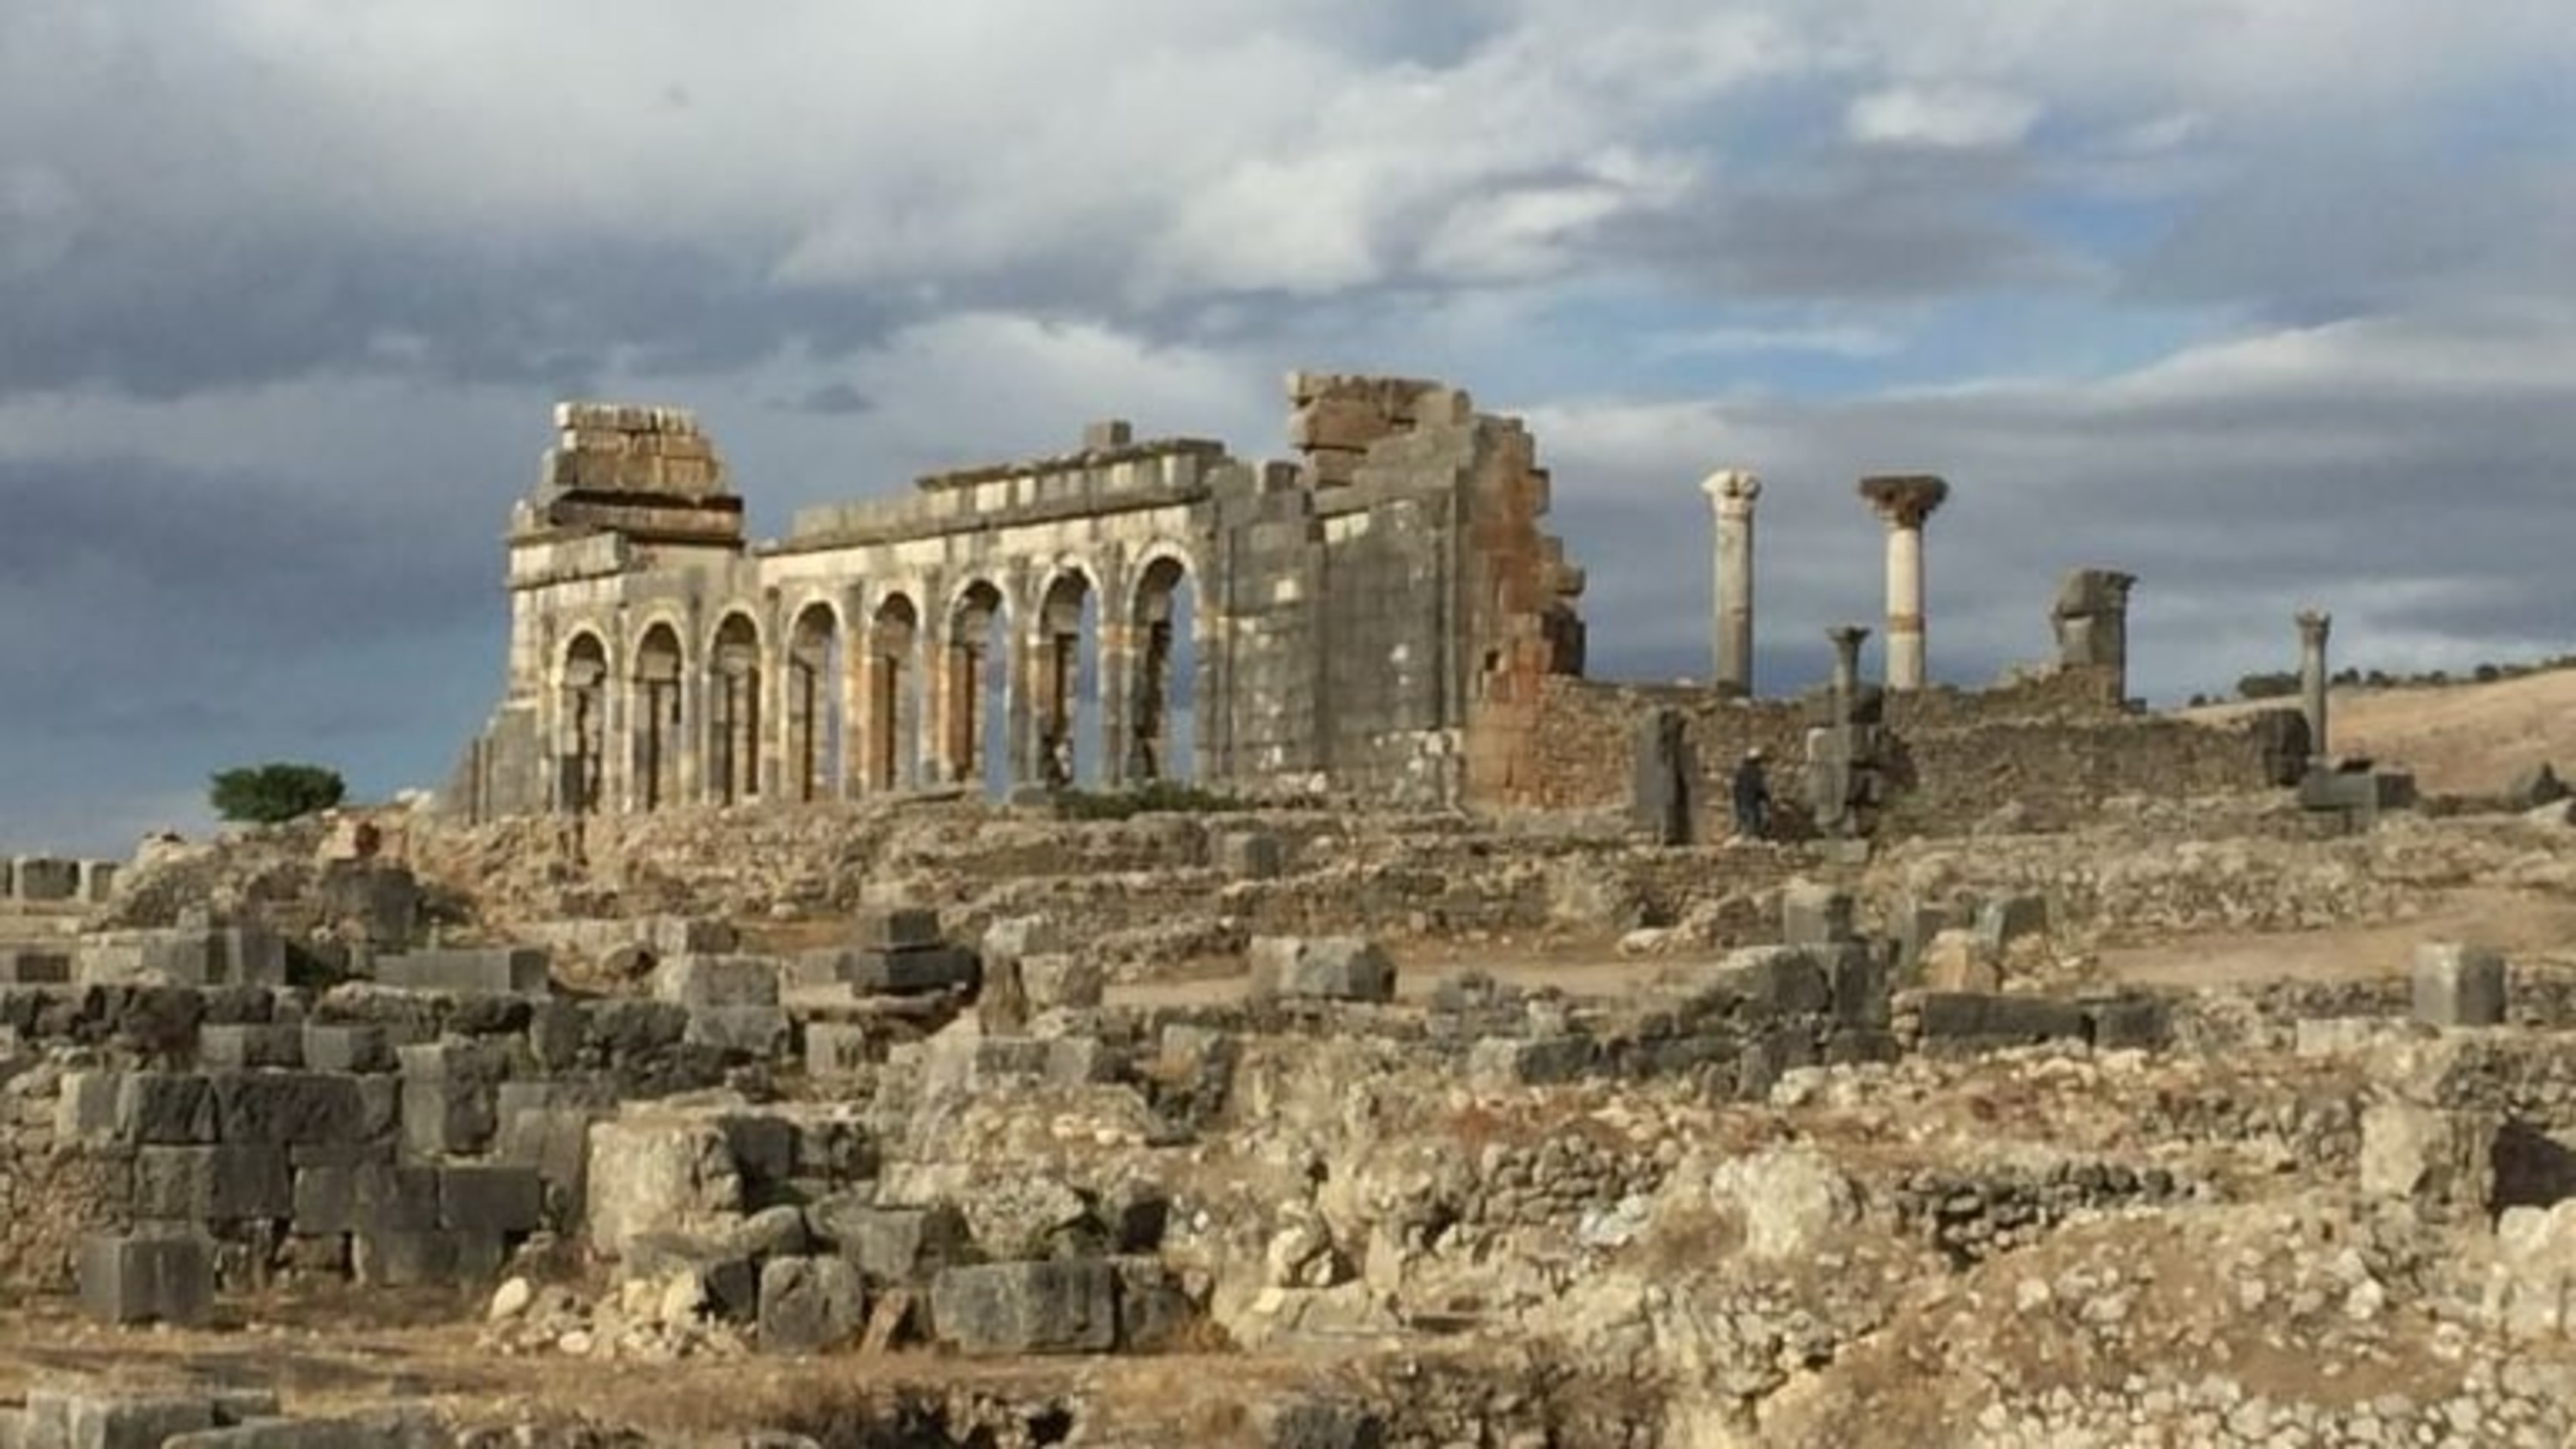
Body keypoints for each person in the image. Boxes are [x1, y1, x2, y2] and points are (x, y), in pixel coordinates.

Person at [1731, 747, 1771, 840]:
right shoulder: (1756, 772)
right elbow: (1760, 787)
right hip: (1752, 801)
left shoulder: (1741, 771)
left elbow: (1735, 787)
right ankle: (1752, 837)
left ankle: (1746, 835)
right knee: (1752, 820)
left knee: (1744, 819)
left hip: (1742, 800)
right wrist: (1766, 798)